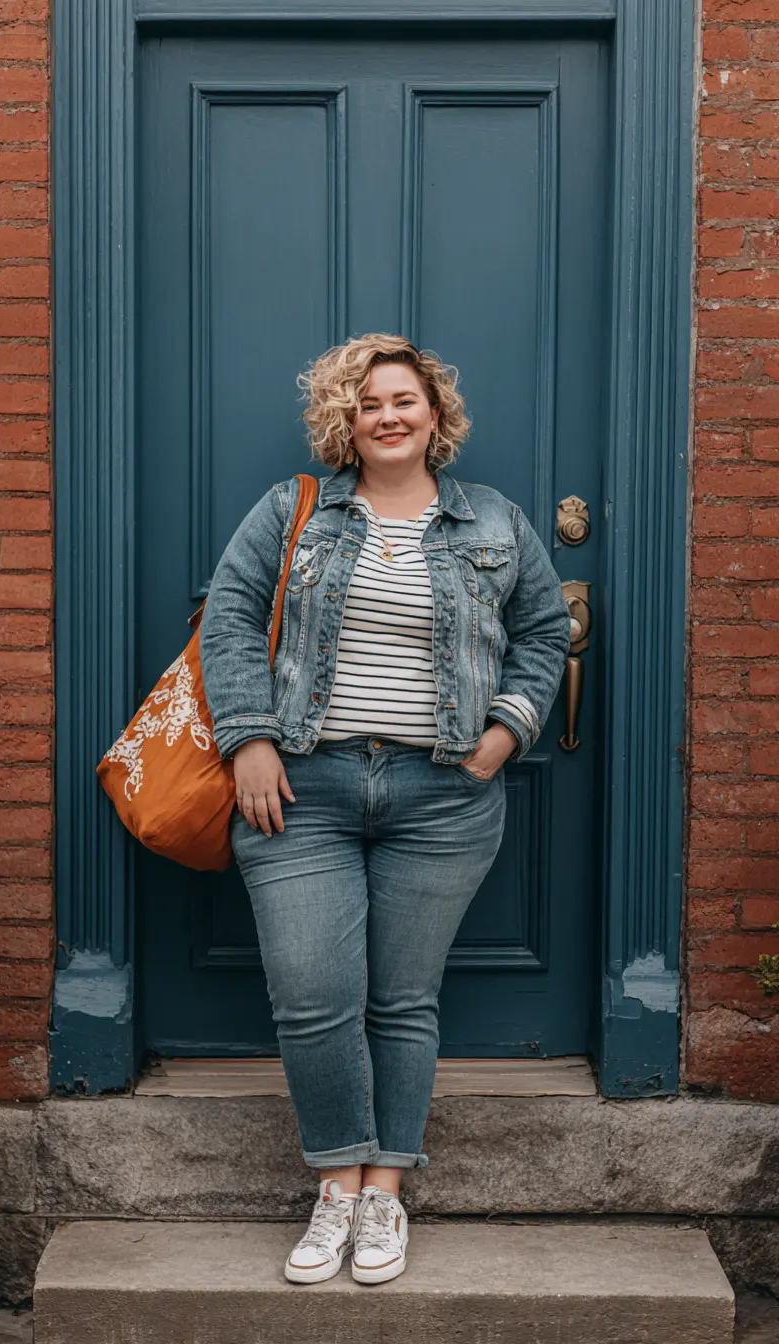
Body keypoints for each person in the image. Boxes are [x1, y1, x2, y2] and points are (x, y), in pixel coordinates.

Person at [200, 333, 569, 1286]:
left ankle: (386, 1196)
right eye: (369, 405)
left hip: (442, 795)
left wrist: (504, 734)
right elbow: (231, 615)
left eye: (405, 400)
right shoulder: (297, 510)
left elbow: (542, 631)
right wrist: (247, 738)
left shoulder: (493, 520)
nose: (389, 416)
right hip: (301, 790)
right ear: (346, 423)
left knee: (404, 1001)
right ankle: (335, 1188)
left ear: (436, 415)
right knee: (313, 996)